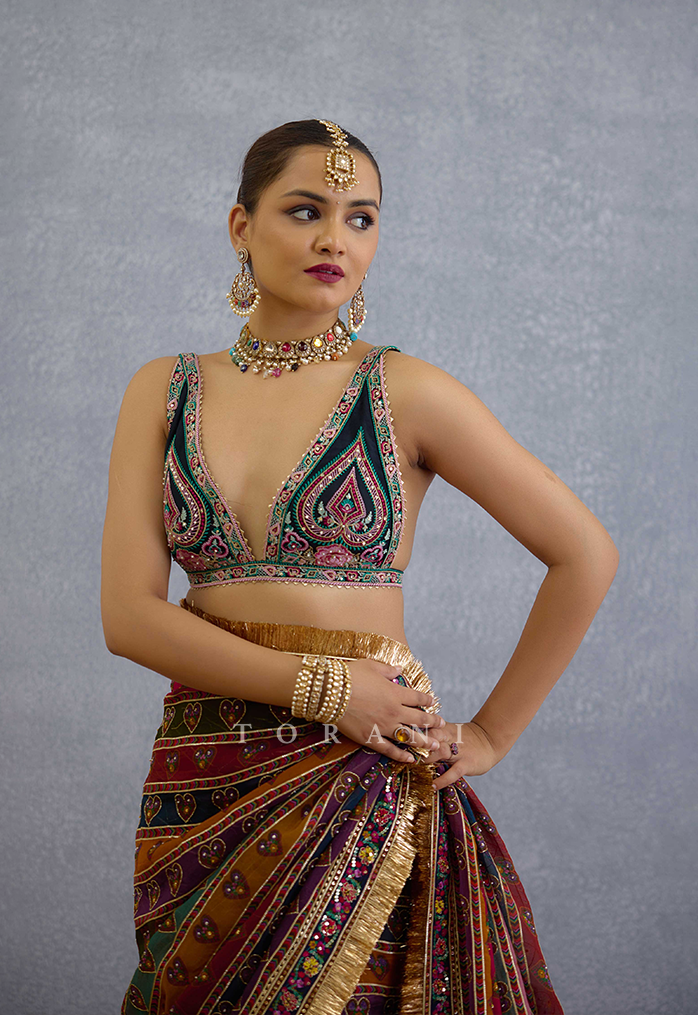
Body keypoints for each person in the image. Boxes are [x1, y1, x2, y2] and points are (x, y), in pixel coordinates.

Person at [101, 119, 618, 1015]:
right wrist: (323, 687)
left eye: (362, 218)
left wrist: (490, 736)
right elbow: (130, 616)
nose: (335, 239)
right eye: (306, 211)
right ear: (242, 226)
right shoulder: (165, 388)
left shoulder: (404, 390)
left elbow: (585, 554)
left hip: (365, 767)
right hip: (210, 769)